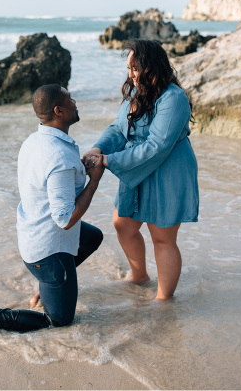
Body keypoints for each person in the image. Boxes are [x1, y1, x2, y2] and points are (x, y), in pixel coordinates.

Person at [0, 84, 104, 333]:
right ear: (59, 110)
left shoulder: (34, 141)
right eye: (70, 100)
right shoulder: (60, 157)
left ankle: (49, 286)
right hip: (47, 253)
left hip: (32, 236)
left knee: (92, 236)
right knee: (59, 321)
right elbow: (65, 219)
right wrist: (94, 180)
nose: (75, 102)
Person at [82, 39, 198, 300]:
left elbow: (157, 146)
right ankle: (139, 276)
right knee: (122, 223)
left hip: (168, 170)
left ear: (152, 66)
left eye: (136, 68)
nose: (131, 75)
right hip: (136, 166)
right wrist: (98, 148)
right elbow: (117, 128)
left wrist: (110, 161)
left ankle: (164, 299)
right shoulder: (137, 93)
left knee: (162, 237)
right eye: (129, 68)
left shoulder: (174, 98)